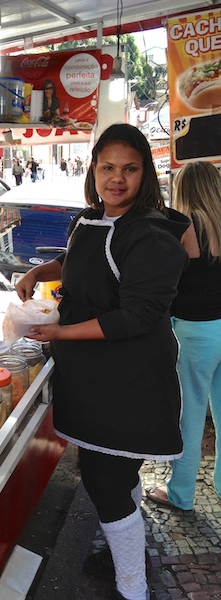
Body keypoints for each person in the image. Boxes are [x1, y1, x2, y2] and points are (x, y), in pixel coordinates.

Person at [15, 123, 190, 600]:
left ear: (145, 174)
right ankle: (122, 555)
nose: (117, 179)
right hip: (91, 376)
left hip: (128, 379)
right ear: (92, 169)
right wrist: (39, 269)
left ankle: (133, 587)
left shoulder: (149, 234)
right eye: (107, 167)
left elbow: (136, 316)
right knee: (119, 474)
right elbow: (76, 261)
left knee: (103, 479)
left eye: (129, 169)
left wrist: (58, 332)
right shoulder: (85, 220)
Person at [147, 161, 221, 512]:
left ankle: (180, 495)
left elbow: (166, 286)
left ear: (185, 188)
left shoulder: (183, 226)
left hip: (195, 333)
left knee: (189, 416)